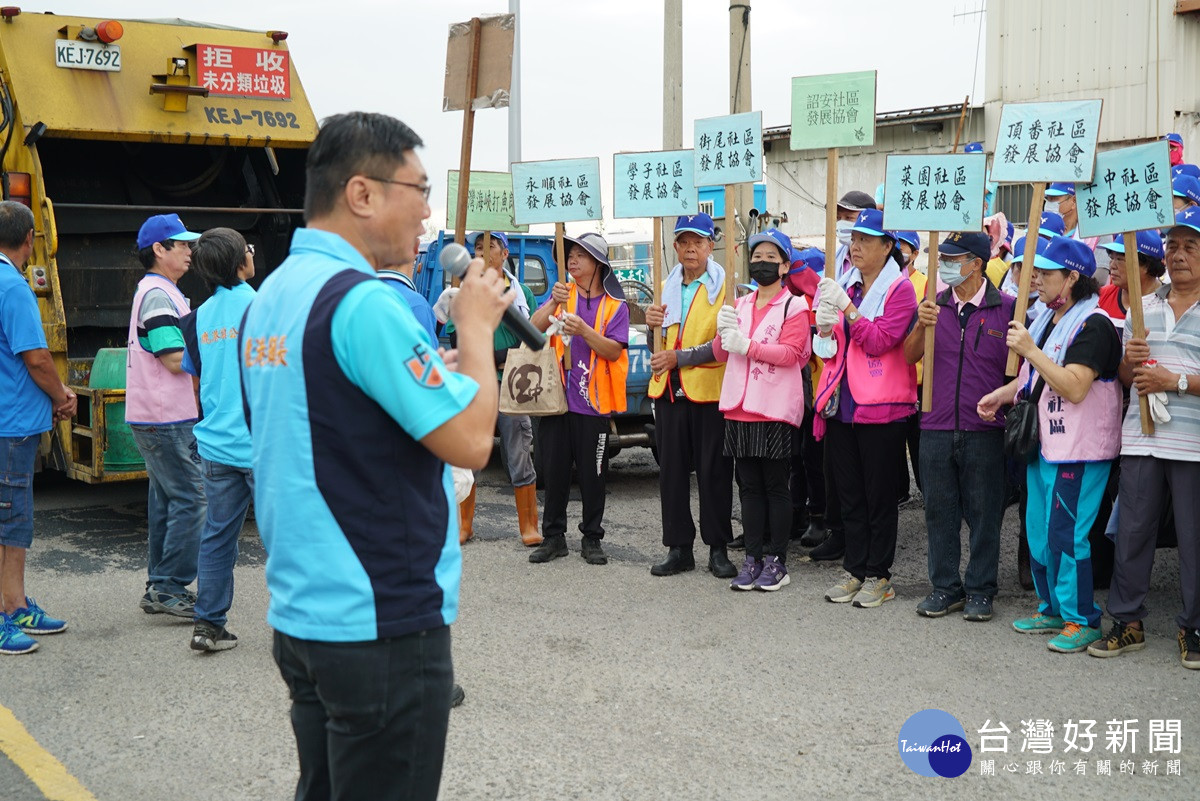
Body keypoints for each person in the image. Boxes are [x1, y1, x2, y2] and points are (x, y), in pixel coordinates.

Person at [239, 112, 511, 801]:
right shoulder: (363, 302)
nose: (427, 213)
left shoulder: (272, 294)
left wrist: (429, 369)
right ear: (362, 193)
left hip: (305, 613)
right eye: (417, 189)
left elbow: (325, 412)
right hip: (380, 618)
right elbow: (473, 442)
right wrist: (477, 333)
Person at [978, 235, 1122, 654]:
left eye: (1045, 272)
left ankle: (1083, 619)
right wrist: (1002, 395)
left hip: (1080, 448)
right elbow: (1032, 381)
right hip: (1045, 443)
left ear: (1072, 277)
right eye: (1033, 270)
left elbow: (1075, 387)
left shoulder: (1095, 324)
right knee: (1039, 531)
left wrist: (1029, 350)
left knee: (1067, 534)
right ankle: (1053, 608)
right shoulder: (1045, 317)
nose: (1035, 279)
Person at [1089, 208, 1200, 669]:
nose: (1177, 255)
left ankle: (1193, 626)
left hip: (1192, 445)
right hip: (1140, 437)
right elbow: (1125, 377)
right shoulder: (1143, 306)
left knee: (1195, 539)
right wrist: (1129, 362)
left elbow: (1174, 378)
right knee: (1132, 533)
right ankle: (1127, 621)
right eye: (1171, 246)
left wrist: (1176, 382)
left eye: (1189, 246)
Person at [904, 231, 1015, 622]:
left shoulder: (1009, 310)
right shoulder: (934, 306)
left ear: (977, 264)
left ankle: (981, 589)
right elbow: (908, 355)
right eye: (943, 258)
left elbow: (1023, 373)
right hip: (934, 424)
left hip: (985, 427)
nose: (946, 265)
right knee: (939, 510)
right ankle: (945, 587)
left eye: (954, 258)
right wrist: (920, 324)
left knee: (985, 513)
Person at [812, 209, 918, 608]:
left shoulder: (900, 290)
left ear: (888, 247)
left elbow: (878, 342)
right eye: (853, 238)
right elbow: (830, 350)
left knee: (878, 495)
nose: (855, 246)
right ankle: (855, 569)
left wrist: (848, 311)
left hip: (884, 407)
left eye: (866, 240)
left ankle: (879, 574)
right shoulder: (847, 285)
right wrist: (823, 328)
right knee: (850, 494)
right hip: (844, 403)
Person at [711, 229, 811, 590]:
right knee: (749, 487)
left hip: (773, 408)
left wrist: (747, 344)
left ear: (785, 266)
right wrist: (722, 333)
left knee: (775, 486)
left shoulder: (794, 306)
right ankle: (751, 559)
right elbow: (723, 353)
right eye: (757, 257)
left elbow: (794, 354)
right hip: (739, 407)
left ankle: (778, 561)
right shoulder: (739, 305)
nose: (762, 263)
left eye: (771, 258)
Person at [0, 201, 75, 655]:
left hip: (8, 420)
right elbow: (37, 357)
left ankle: (15, 603)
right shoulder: (12, 286)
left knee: (10, 518)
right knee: (10, 521)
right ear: (30, 238)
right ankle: (7, 610)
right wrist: (62, 396)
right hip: (11, 424)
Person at [527, 232, 629, 566]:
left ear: (599, 263)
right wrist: (554, 304)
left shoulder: (616, 306)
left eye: (580, 255)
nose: (571, 259)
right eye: (569, 254)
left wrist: (584, 330)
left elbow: (614, 350)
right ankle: (553, 537)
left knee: (593, 474)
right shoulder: (562, 292)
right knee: (553, 473)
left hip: (593, 403)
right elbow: (532, 328)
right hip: (556, 402)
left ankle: (592, 537)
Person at [177, 228, 256, 653]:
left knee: (218, 535)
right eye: (249, 249)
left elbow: (196, 383)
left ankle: (206, 625)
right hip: (261, 445)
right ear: (240, 263)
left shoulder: (198, 318)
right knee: (288, 538)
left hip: (215, 444)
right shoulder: (266, 310)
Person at [644, 214, 735, 579]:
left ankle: (718, 548)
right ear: (676, 247)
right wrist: (650, 321)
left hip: (709, 391)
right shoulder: (664, 287)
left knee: (714, 472)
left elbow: (723, 345)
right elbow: (660, 340)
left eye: (698, 241)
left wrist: (679, 357)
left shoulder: (725, 288)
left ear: (711, 246)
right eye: (684, 241)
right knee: (672, 473)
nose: (691, 248)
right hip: (668, 389)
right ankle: (679, 547)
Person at [437, 231, 541, 548]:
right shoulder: (462, 292)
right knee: (468, 455)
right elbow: (458, 340)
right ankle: (463, 524)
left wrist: (489, 354)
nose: (481, 252)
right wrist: (491, 356)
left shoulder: (521, 293)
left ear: (505, 253)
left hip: (512, 386)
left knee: (519, 453)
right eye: (477, 247)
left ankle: (529, 524)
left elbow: (530, 342)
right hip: (474, 386)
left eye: (489, 246)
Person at [128, 213, 205, 618]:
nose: (190, 251)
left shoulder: (161, 290)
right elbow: (174, 359)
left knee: (166, 501)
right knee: (195, 498)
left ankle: (158, 586)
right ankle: (170, 586)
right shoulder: (158, 295)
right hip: (165, 416)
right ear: (159, 250)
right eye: (182, 244)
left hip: (157, 414)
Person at [895, 230, 926, 504]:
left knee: (918, 440)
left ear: (915, 253)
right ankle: (900, 490)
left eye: (903, 247)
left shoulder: (924, 283)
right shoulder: (887, 281)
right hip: (895, 374)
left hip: (920, 376)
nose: (898, 251)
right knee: (895, 440)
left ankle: (927, 488)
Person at [1096, 231, 1165, 324]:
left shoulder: (1169, 303)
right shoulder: (1100, 298)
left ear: (1147, 265)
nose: (1112, 265)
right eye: (1112, 258)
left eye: (1119, 259)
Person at [831, 190, 877, 280]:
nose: (841, 223)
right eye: (838, 218)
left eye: (849, 217)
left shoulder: (883, 261)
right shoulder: (836, 259)